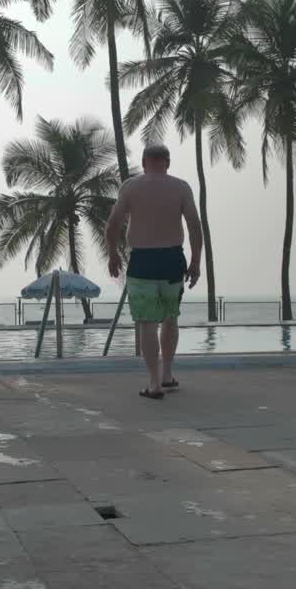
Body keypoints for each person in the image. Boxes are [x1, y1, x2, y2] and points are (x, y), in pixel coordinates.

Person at [106, 143, 202, 399]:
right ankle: (167, 374)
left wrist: (113, 254)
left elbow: (113, 222)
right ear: (167, 162)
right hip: (172, 259)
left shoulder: (131, 187)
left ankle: (153, 383)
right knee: (170, 317)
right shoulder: (181, 187)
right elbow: (194, 225)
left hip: (142, 260)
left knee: (147, 322)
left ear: (144, 161)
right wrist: (196, 262)